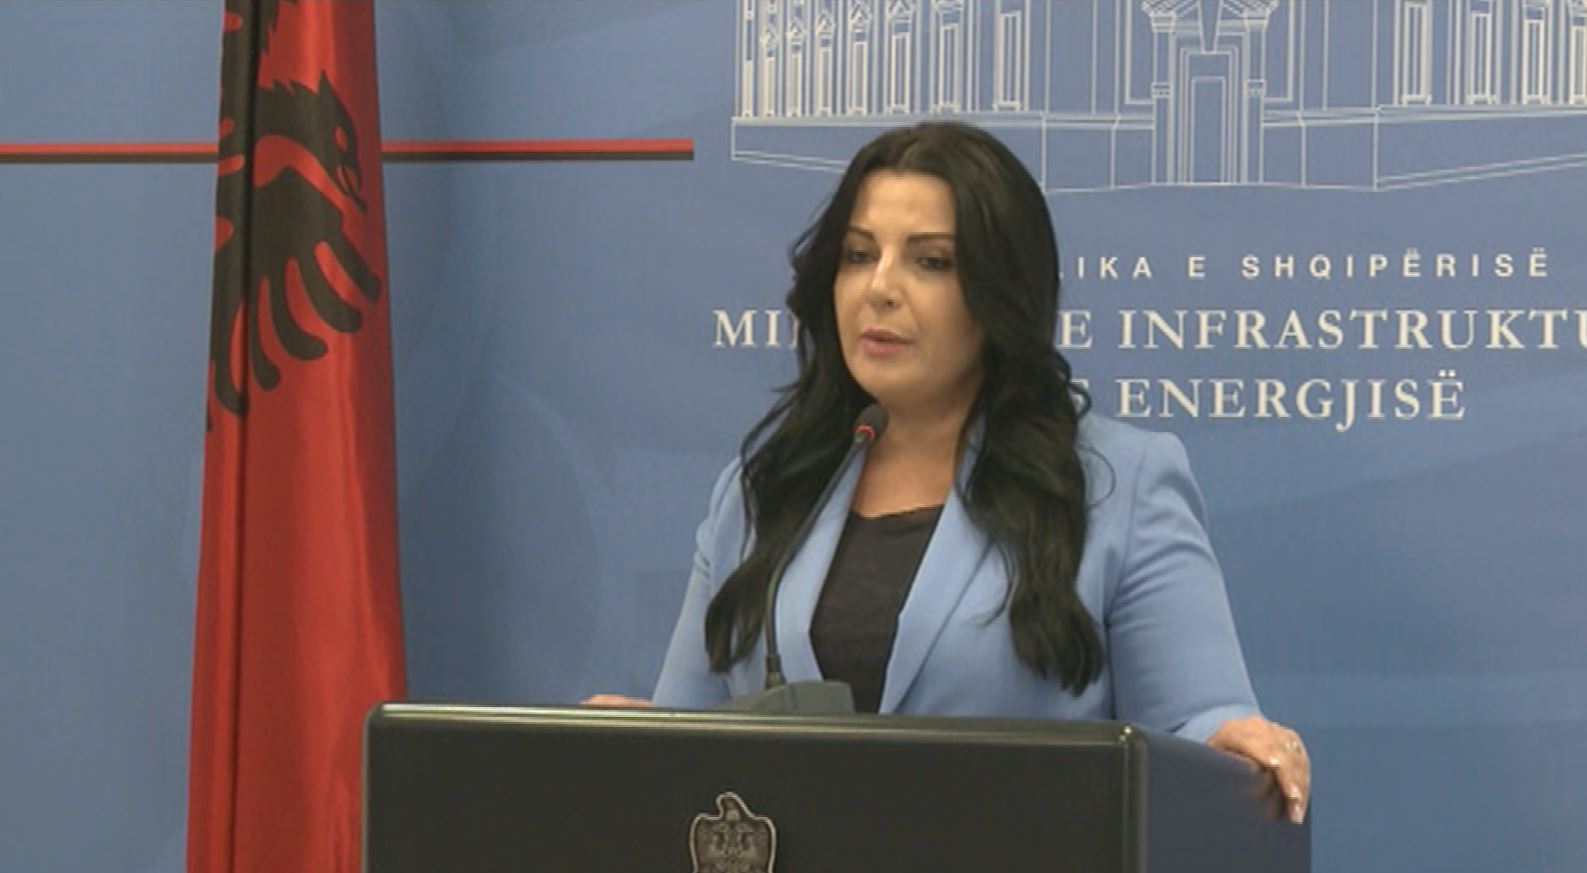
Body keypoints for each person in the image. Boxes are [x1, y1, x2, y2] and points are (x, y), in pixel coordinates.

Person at [588, 121, 1309, 824]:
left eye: (929, 261)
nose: (879, 288)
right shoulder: (764, 489)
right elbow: (691, 734)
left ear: (1000, 292)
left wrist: (1233, 746)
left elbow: (1194, 732)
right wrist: (637, 741)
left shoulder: (1119, 484)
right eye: (858, 255)